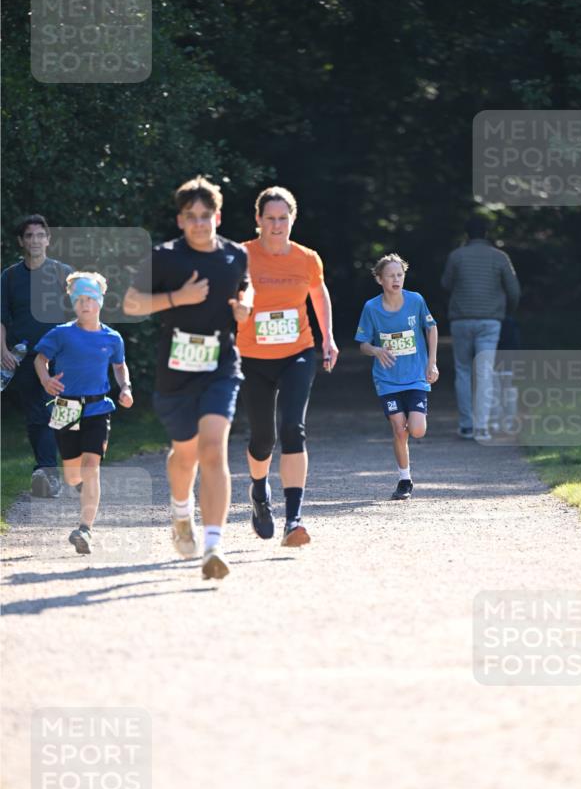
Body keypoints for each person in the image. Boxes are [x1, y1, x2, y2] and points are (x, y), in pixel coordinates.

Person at [123, 176, 252, 580]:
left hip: (220, 364)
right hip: (176, 369)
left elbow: (246, 287)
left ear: (218, 216)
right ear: (180, 220)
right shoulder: (164, 257)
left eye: (205, 215)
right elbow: (130, 303)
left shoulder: (234, 255)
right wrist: (178, 297)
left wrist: (244, 305)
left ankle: (214, 546)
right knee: (186, 454)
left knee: (213, 449)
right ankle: (181, 513)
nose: (199, 223)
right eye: (190, 217)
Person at [236, 185, 338, 546]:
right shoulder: (241, 255)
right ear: (258, 220)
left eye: (283, 218)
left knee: (294, 428)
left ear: (292, 219)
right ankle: (259, 493)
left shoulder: (307, 258)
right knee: (264, 438)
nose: (277, 225)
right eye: (270, 219)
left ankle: (293, 520)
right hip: (252, 356)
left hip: (297, 353)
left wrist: (328, 338)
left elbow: (318, 293)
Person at [34, 272, 132, 554]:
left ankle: (85, 529)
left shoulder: (112, 338)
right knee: (73, 475)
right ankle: (81, 486)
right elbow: (41, 360)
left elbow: (119, 366)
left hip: (98, 407)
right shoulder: (61, 333)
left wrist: (125, 387)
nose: (85, 305)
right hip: (65, 406)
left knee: (91, 467)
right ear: (73, 303)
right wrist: (46, 380)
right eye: (79, 300)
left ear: (100, 302)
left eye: (90, 299)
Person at [355, 253, 438, 500]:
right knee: (399, 430)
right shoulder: (371, 307)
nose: (396, 279)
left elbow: (431, 328)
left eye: (399, 275)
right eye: (390, 275)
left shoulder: (415, 300)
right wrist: (376, 350)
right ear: (379, 279)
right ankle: (405, 480)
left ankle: (406, 471)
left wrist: (432, 363)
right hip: (387, 380)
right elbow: (362, 343)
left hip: (415, 375)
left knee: (417, 430)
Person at [1, 214, 73, 497]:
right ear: (21, 241)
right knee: (36, 412)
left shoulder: (63, 272)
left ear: (48, 239)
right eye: (29, 236)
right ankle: (46, 472)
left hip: (61, 355)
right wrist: (3, 350)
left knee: (64, 411)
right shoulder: (9, 277)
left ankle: (62, 469)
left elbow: (80, 313)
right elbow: (1, 319)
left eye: (39, 235)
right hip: (25, 356)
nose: (35, 240)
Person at [441, 215, 520, 441]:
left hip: (461, 319)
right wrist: (506, 312)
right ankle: (483, 427)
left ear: (467, 234)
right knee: (485, 372)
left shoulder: (456, 256)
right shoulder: (500, 257)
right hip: (490, 320)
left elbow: (445, 284)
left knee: (463, 370)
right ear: (487, 233)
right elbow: (514, 290)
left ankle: (466, 425)